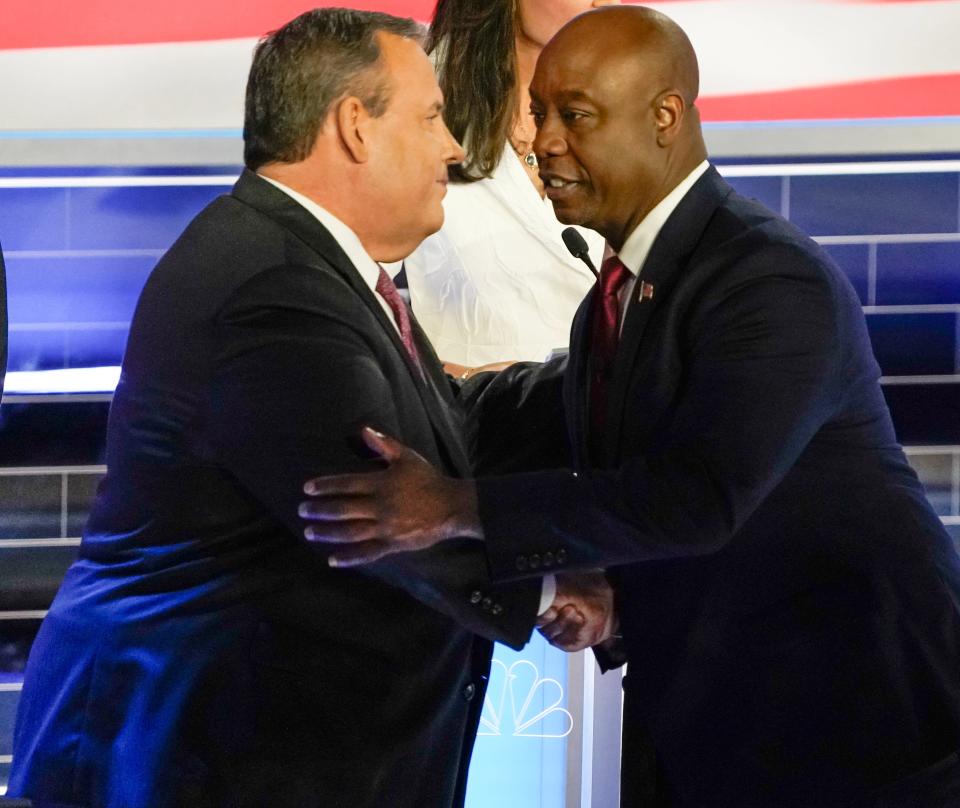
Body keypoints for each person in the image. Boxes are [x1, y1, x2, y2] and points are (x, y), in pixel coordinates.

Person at [299, 6, 960, 807]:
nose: (544, 143)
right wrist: (370, 378)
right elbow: (537, 415)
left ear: (664, 119)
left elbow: (697, 496)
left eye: (574, 117)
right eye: (541, 115)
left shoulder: (767, 280)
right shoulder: (617, 295)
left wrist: (453, 508)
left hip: (863, 729)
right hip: (711, 720)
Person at [6, 10, 563, 808]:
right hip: (188, 756)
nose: (453, 148)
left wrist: (596, 381)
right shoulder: (271, 285)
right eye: (432, 116)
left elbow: (450, 422)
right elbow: (375, 510)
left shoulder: (305, 260)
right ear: (354, 128)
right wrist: (561, 590)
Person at [401, 0, 617, 372]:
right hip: (470, 416)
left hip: (605, 414)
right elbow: (347, 301)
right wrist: (467, 382)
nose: (604, 3)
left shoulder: (626, 101)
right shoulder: (413, 97)